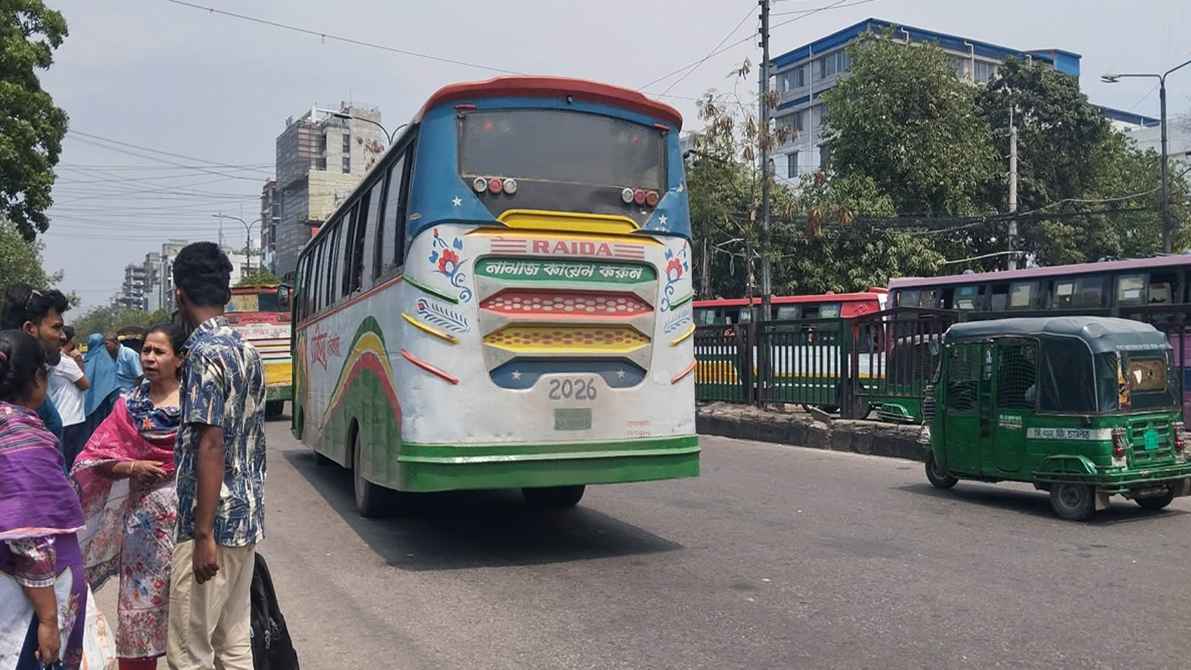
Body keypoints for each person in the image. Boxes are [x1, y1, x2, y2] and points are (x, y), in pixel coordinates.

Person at [167, 242, 266, 670]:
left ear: (179, 293)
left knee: (191, 652)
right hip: (245, 519)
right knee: (234, 643)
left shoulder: (203, 355)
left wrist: (203, 533)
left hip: (211, 524)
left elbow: (211, 442)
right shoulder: (247, 351)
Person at [72, 324, 185, 670]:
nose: (149, 358)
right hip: (143, 534)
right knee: (139, 616)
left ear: (180, 359)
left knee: (189, 613)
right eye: (146, 351)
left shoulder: (198, 403)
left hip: (189, 527)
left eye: (159, 351)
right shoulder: (129, 406)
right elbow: (93, 460)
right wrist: (133, 467)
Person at [0, 329, 88, 669]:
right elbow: (30, 538)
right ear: (37, 379)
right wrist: (49, 619)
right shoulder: (24, 440)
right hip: (27, 601)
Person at [1, 285, 70, 443]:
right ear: (29, 329)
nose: (63, 336)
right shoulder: (21, 392)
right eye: (56, 327)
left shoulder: (31, 387)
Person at [49, 326, 90, 470]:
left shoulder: (50, 360)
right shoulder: (65, 362)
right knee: (70, 458)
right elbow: (85, 384)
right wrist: (79, 360)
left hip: (57, 414)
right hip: (72, 417)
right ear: (70, 341)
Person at [83, 332, 121, 440]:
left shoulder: (85, 361)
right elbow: (114, 387)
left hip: (86, 410)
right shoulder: (108, 363)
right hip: (105, 408)